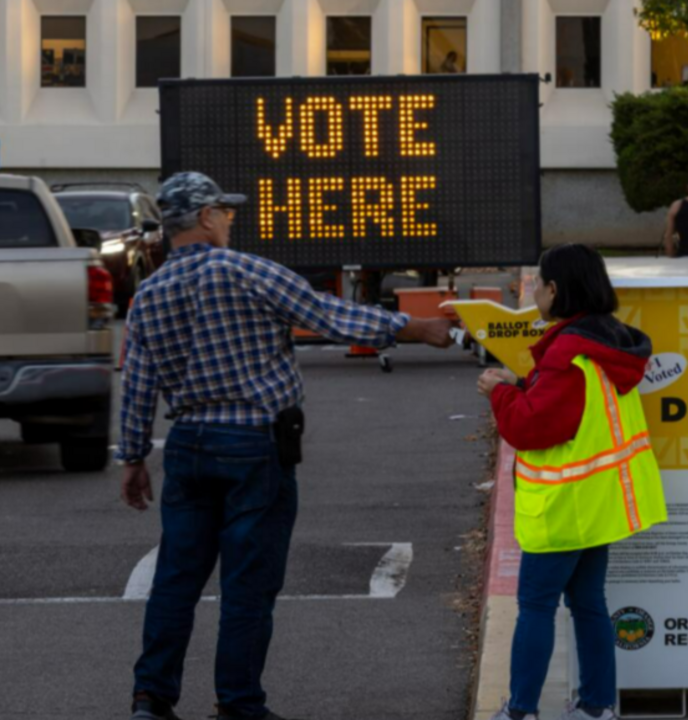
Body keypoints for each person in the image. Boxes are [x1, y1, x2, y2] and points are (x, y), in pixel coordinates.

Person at [119, 172, 455, 720]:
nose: (231, 219)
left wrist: (133, 456)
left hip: (187, 445)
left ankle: (151, 699)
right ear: (205, 218)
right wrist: (414, 328)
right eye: (225, 212)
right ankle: (239, 703)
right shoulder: (245, 270)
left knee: (176, 580)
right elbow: (328, 315)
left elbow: (137, 380)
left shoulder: (150, 293)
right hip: (253, 444)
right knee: (248, 585)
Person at [477, 244, 668, 720]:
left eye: (537, 283)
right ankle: (597, 706)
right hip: (600, 503)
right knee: (588, 604)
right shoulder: (609, 341)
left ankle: (520, 711)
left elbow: (530, 427)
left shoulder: (568, 354)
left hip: (563, 508)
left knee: (536, 607)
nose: (533, 291)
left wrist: (500, 392)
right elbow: (572, 413)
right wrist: (522, 387)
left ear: (555, 290)